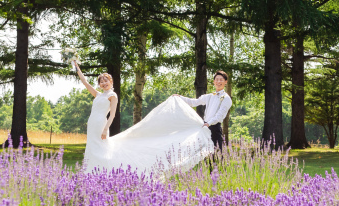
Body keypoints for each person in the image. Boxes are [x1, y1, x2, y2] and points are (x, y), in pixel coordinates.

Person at [74, 60, 214, 176]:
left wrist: (105, 129)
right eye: (101, 82)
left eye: (106, 81)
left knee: (102, 148)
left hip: (100, 125)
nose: (104, 84)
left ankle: (104, 173)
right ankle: (90, 173)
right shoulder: (98, 95)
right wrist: (77, 67)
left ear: (111, 82)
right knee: (92, 148)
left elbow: (113, 115)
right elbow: (85, 82)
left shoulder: (112, 96)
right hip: (92, 125)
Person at [177, 71, 232, 151]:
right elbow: (194, 102)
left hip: (214, 128)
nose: (218, 82)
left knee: (217, 154)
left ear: (225, 82)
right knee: (204, 155)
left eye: (221, 80)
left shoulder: (226, 98)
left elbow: (220, 115)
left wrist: (208, 123)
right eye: (217, 79)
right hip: (205, 128)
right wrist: (179, 97)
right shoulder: (210, 96)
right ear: (214, 82)